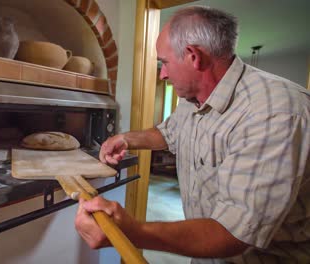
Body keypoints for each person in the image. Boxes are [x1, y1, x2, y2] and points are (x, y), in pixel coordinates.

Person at [75, 6, 310, 263]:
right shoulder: (192, 98)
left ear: (193, 56)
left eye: (164, 63)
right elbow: (169, 133)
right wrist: (126, 139)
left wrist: (132, 231)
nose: (162, 74)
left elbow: (232, 233)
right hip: (206, 255)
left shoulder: (275, 111)